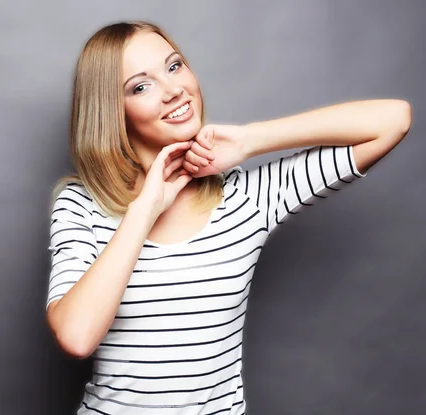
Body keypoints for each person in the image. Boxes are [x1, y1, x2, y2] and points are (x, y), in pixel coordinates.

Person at [45, 21, 412, 415]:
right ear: (112, 111)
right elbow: (77, 336)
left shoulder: (248, 197)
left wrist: (250, 140)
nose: (174, 90)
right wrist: (145, 209)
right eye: (141, 85)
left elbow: (393, 119)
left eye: (174, 66)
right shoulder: (81, 203)